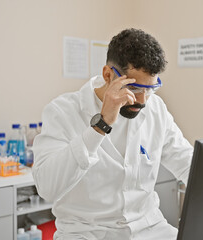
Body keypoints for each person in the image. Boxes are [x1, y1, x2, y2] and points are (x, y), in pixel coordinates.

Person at [32, 28, 193, 239]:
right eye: (134, 89)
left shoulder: (156, 109)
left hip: (149, 229)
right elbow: (47, 187)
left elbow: (187, 164)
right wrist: (101, 125)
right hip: (87, 233)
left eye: (150, 89)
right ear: (108, 75)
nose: (143, 101)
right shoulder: (63, 111)